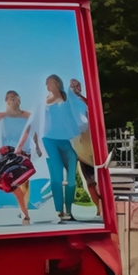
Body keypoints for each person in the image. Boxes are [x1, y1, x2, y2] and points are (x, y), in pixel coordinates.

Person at [17, 75, 87, 223]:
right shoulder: (42, 103)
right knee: (56, 178)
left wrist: (74, 86)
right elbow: (31, 124)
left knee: (71, 180)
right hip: (49, 141)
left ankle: (69, 210)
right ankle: (59, 211)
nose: (48, 85)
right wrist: (21, 146)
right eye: (47, 83)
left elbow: (79, 106)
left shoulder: (67, 97)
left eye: (51, 82)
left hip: (67, 141)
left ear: (57, 84)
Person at [67, 78, 103, 218]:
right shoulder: (67, 105)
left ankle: (103, 207)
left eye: (78, 86)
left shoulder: (86, 102)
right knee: (90, 182)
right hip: (80, 150)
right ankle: (98, 208)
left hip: (92, 146)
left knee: (99, 181)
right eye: (73, 87)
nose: (76, 89)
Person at [0, 91, 33, 225]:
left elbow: (31, 130)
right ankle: (24, 210)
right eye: (13, 99)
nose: (16, 101)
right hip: (8, 152)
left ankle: (24, 211)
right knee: (12, 181)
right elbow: (0, 135)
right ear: (7, 101)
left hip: (24, 151)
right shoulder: (1, 116)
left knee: (25, 182)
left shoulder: (27, 116)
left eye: (18, 99)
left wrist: (38, 146)